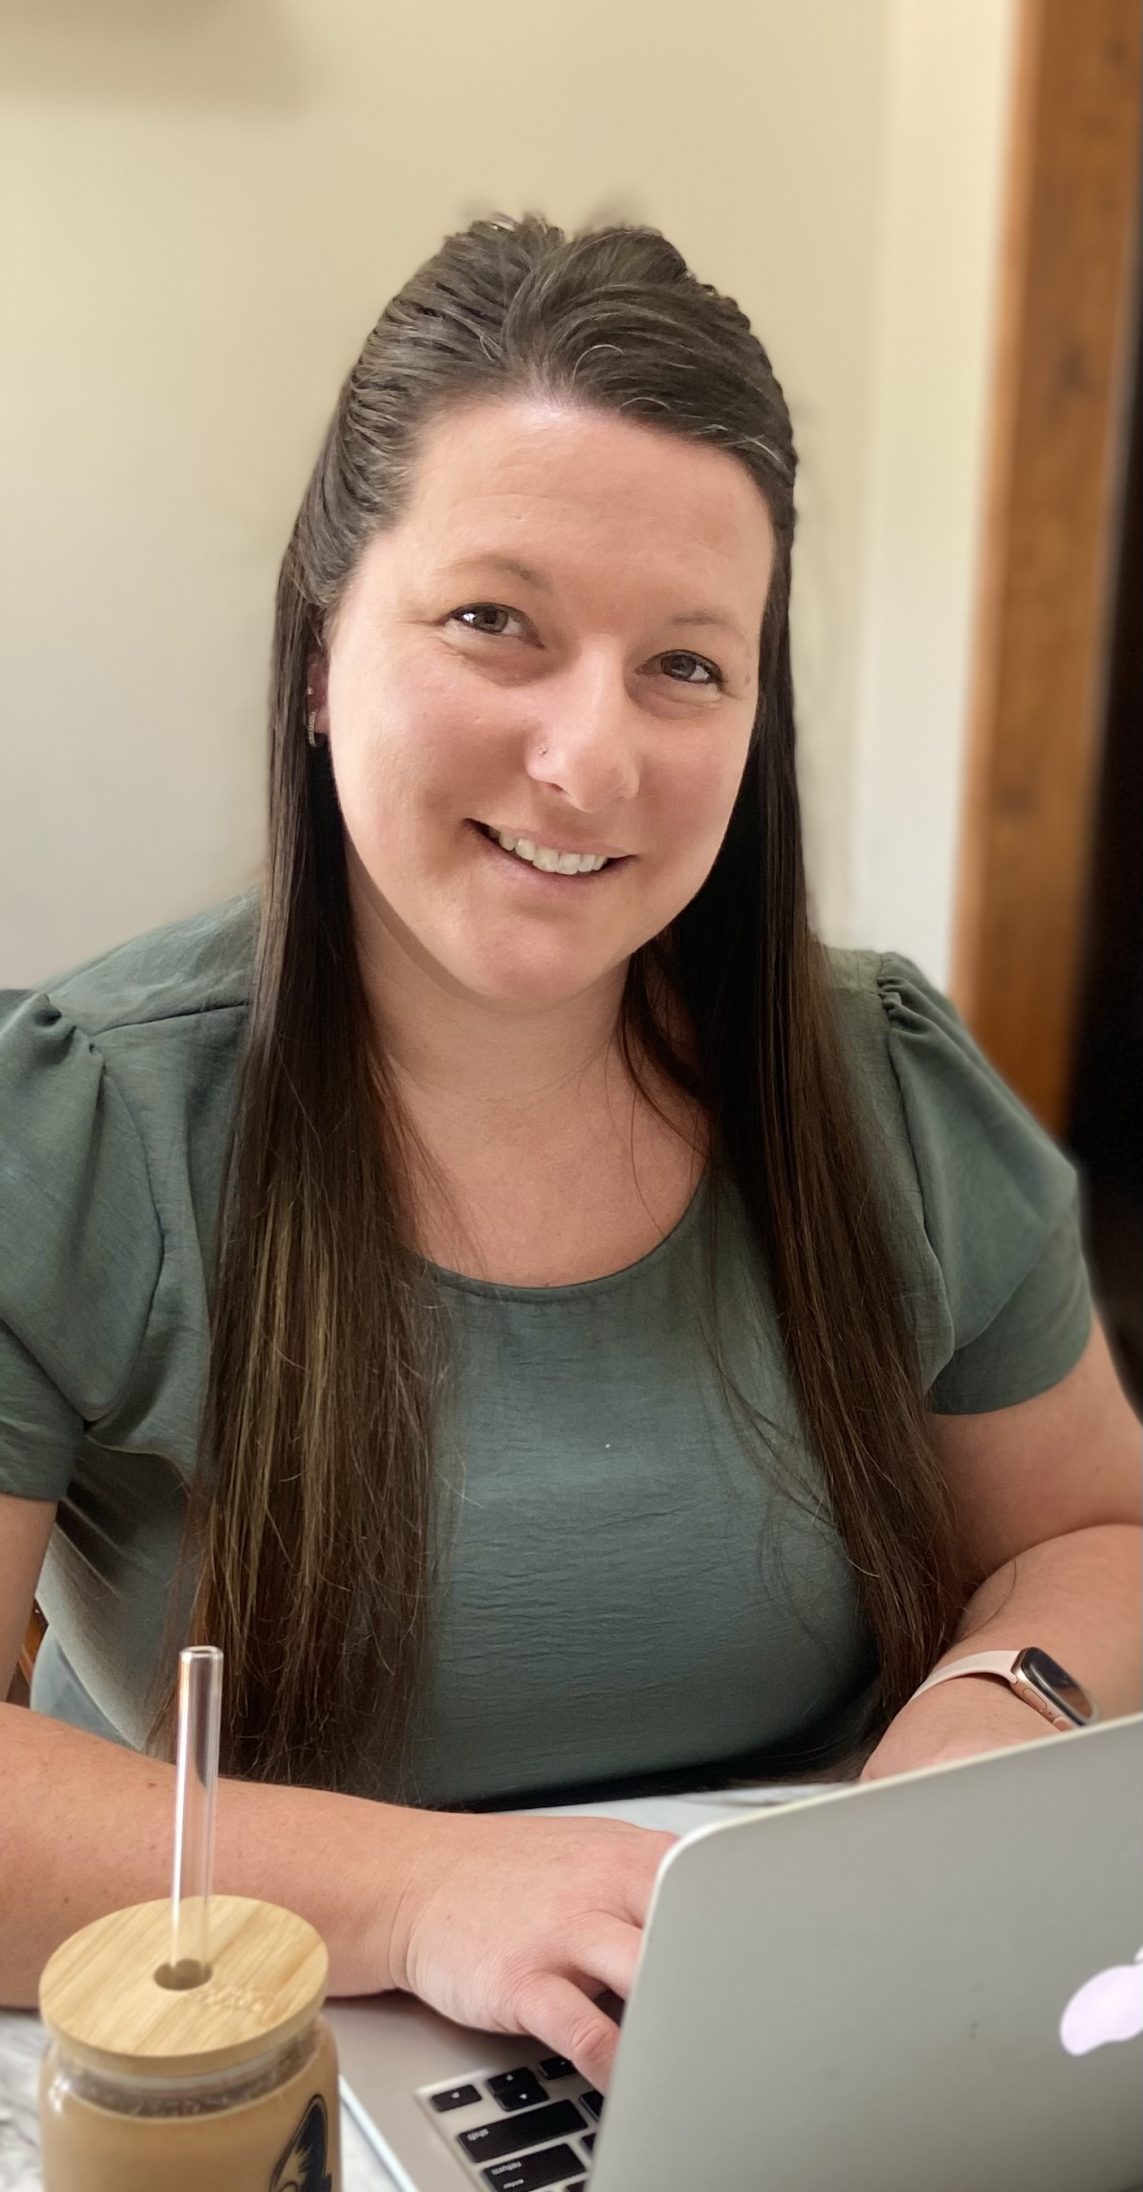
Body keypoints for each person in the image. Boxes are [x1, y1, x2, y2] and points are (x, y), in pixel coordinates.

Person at [1, 214, 1139, 2071]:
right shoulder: (74, 1124)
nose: (589, 761)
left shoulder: (887, 1089)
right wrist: (427, 1895)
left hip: (799, 2044)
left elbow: (1100, 1530)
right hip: (267, 2083)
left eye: (686, 666)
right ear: (319, 650)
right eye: (493, 624)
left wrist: (991, 1716)